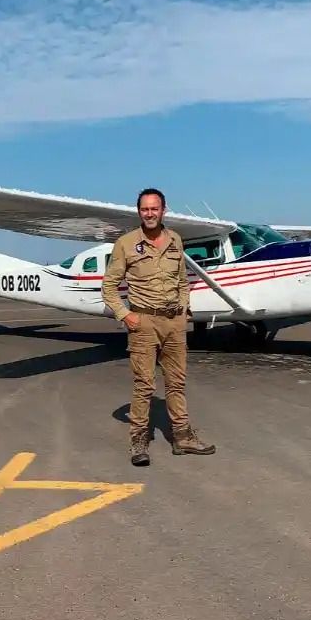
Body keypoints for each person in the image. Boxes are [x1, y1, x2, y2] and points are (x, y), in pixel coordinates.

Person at [101, 187, 216, 466]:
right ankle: (139, 440)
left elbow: (181, 279)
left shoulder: (176, 239)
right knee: (144, 385)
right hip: (144, 321)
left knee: (177, 383)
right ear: (139, 212)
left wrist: (185, 309)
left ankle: (183, 437)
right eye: (144, 209)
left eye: (154, 208)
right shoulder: (126, 243)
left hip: (174, 322)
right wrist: (126, 316)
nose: (149, 213)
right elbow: (109, 286)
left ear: (164, 210)